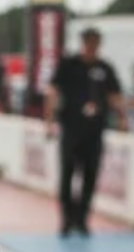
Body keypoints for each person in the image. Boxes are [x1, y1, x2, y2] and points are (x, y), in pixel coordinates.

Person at [45, 25, 121, 235]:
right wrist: (49, 121)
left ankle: (82, 218)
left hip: (95, 131)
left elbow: (115, 97)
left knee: (90, 175)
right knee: (68, 174)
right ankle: (66, 219)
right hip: (71, 128)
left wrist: (123, 119)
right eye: (89, 43)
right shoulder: (69, 65)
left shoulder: (105, 68)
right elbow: (52, 91)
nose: (92, 47)